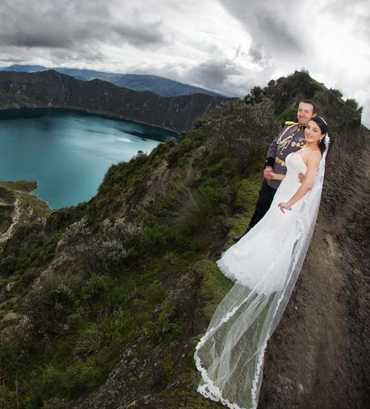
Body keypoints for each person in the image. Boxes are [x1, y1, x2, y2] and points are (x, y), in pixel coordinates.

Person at [195, 117, 329, 409]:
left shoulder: (315, 153)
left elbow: (307, 185)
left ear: (321, 136)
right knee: (267, 233)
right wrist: (276, 180)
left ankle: (261, 273)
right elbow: (294, 174)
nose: (309, 131)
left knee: (273, 237)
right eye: (308, 127)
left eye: (315, 130)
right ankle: (255, 264)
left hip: (289, 203)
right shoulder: (303, 145)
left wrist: (290, 204)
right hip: (283, 192)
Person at [233, 100, 317, 242]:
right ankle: (247, 235)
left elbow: (306, 167)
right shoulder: (289, 127)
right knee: (261, 207)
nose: (302, 114)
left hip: (286, 184)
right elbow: (274, 146)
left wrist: (282, 176)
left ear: (313, 115)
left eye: (306, 112)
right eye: (300, 110)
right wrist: (268, 166)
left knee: (274, 216)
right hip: (271, 177)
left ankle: (260, 242)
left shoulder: (311, 139)